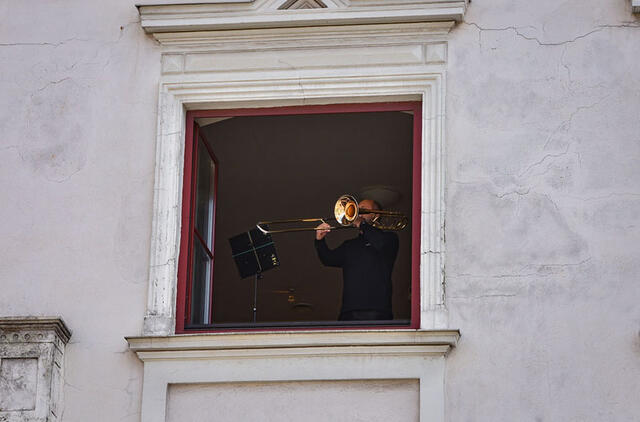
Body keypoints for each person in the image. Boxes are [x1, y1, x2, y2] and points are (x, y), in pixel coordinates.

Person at [314, 199, 399, 321]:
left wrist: (362, 224)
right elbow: (328, 259)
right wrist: (320, 240)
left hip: (377, 310)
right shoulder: (349, 245)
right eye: (357, 209)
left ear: (375, 215)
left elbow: (380, 243)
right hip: (349, 310)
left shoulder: (390, 238)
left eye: (363, 210)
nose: (358, 213)